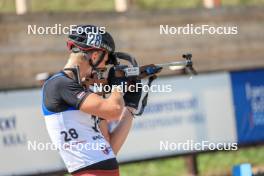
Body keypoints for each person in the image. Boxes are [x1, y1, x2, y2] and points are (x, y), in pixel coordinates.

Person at [41, 25, 142, 176]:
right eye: (105, 60)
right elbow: (113, 111)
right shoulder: (59, 84)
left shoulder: (84, 89)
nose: (103, 67)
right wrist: (117, 86)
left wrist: (131, 107)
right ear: (94, 56)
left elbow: (109, 148)